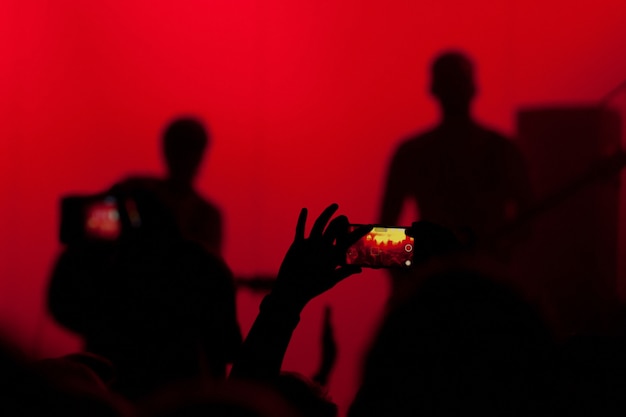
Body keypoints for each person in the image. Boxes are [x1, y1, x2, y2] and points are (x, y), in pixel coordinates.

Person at [380, 51, 531, 269]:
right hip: (483, 280)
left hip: (445, 280)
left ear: (433, 90)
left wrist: (411, 272)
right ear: (474, 89)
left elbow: (381, 232)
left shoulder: (411, 152)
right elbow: (529, 220)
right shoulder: (502, 149)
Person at [120, 116, 223, 255]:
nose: (185, 157)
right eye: (180, 147)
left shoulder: (207, 215)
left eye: (191, 148)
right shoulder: (134, 191)